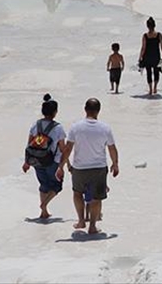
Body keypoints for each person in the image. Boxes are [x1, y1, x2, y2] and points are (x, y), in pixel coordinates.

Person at [56, 98, 119, 235]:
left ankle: (81, 221)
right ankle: (92, 227)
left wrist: (60, 166)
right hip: (99, 168)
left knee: (77, 193)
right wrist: (115, 164)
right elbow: (112, 148)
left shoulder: (76, 127)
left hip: (80, 168)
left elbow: (68, 149)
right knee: (97, 198)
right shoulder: (105, 128)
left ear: (85, 109)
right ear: (99, 110)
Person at [22, 94, 64, 221]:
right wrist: (66, 165)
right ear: (55, 112)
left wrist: (26, 162)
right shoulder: (58, 128)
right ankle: (44, 204)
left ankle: (44, 212)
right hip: (52, 161)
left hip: (36, 160)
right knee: (56, 186)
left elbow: (29, 144)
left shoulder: (36, 125)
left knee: (43, 185)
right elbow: (63, 148)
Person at [139, 17, 162, 96]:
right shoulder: (159, 35)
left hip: (147, 57)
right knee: (156, 72)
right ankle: (155, 88)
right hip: (156, 56)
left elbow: (143, 48)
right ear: (154, 25)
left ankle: (150, 89)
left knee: (149, 73)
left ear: (147, 26)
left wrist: (140, 57)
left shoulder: (145, 36)